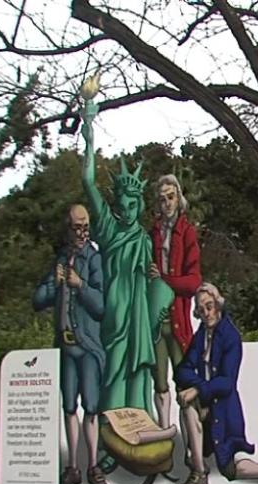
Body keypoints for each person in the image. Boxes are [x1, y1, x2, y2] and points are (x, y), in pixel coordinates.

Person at [80, 95, 171, 418]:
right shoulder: (107, 228)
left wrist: (156, 283)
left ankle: (139, 429)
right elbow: (88, 181)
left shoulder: (144, 238)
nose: (127, 209)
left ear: (139, 205)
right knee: (114, 372)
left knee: (139, 374)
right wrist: (89, 131)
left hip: (138, 316)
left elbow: (151, 279)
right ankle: (110, 436)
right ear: (116, 204)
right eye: (122, 203)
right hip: (115, 316)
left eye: (133, 204)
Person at [175, 282, 258, 484]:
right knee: (186, 403)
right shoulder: (200, 337)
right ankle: (199, 471)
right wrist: (197, 389)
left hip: (224, 411)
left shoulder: (230, 336)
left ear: (218, 305)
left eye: (209, 306)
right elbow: (182, 370)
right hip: (205, 405)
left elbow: (227, 382)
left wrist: (198, 390)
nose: (206, 313)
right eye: (201, 310)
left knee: (233, 468)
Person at [32, 205, 106, 484]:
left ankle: (93, 466)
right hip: (65, 345)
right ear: (68, 228)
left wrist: (81, 285)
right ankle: (72, 466)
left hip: (87, 345)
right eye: (77, 227)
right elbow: (38, 300)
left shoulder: (94, 259)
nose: (82, 232)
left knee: (91, 405)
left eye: (85, 226)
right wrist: (56, 284)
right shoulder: (61, 260)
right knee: (68, 405)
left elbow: (101, 306)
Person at [149, 174, 201, 430]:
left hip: (179, 320)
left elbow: (193, 282)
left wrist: (165, 280)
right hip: (157, 323)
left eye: (171, 197)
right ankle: (163, 437)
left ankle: (193, 447)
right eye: (162, 199)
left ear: (179, 199)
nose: (167, 203)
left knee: (185, 384)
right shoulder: (153, 234)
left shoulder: (187, 232)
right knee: (159, 383)